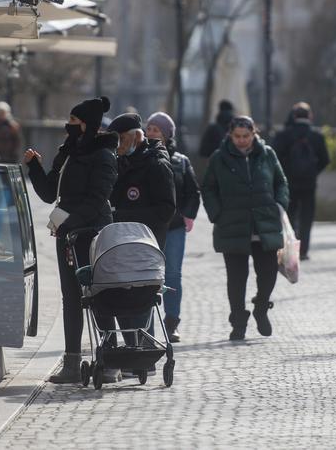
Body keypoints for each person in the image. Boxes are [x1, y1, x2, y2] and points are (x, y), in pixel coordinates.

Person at [24, 96, 119, 383]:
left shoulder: (104, 155)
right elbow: (49, 193)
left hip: (92, 233)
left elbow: (97, 200)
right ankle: (72, 363)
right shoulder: (68, 152)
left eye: (74, 120)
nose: (69, 125)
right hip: (68, 234)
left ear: (87, 124)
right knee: (71, 298)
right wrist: (34, 167)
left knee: (99, 294)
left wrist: (70, 222)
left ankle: (110, 361)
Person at [201, 116, 289, 341]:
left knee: (268, 273)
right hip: (232, 226)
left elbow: (281, 182)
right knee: (237, 279)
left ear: (254, 133)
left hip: (264, 224)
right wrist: (217, 214)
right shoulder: (219, 158)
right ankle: (238, 323)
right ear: (230, 135)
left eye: (246, 136)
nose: (241, 140)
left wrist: (279, 205)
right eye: (237, 136)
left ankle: (261, 307)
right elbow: (208, 188)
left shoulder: (267, 154)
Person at [107, 113, 176, 360]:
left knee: (142, 298)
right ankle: (132, 352)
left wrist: (122, 216)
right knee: (120, 297)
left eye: (122, 139)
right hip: (120, 243)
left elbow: (166, 210)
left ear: (136, 137)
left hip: (145, 244)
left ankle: (146, 355)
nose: (118, 145)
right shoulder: (120, 162)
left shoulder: (156, 164)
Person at [145, 112, 200, 343]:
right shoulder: (140, 157)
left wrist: (188, 215)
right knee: (145, 275)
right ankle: (145, 326)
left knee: (173, 274)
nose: (151, 133)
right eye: (149, 129)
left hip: (174, 226)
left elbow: (193, 191)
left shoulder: (181, 161)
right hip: (148, 227)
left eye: (156, 130)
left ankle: (172, 322)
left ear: (167, 134)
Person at [271, 102, 330, 260]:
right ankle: (303, 251)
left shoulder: (284, 135)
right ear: (310, 116)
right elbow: (325, 159)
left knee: (289, 216)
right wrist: (314, 172)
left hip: (289, 182)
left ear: (294, 116)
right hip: (309, 183)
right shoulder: (317, 136)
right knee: (307, 217)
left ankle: (291, 249)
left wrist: (284, 173)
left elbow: (274, 158)